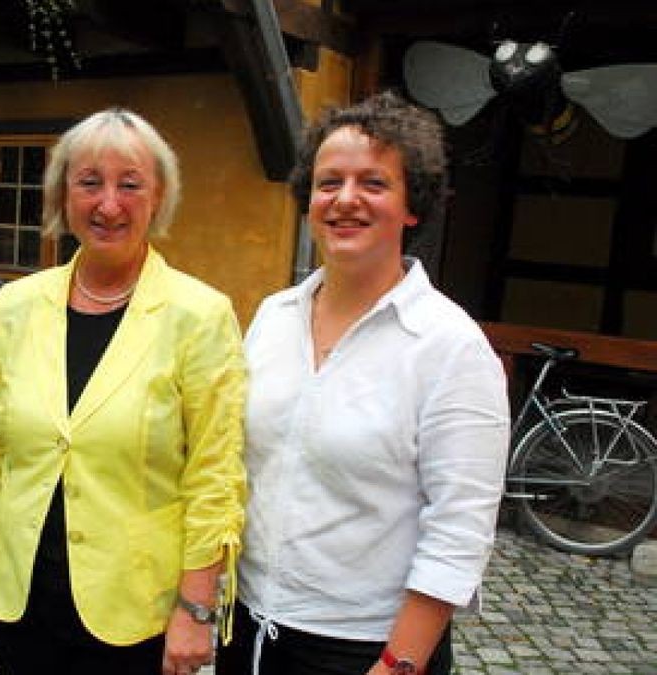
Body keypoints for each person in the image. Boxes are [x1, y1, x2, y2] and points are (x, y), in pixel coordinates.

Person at [0, 108, 247, 675]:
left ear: (158, 198)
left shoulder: (199, 315)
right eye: (89, 183)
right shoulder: (15, 306)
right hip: (21, 594)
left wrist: (196, 606)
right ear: (63, 196)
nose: (109, 204)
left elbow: (214, 473)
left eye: (130, 185)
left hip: (133, 604)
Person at [216, 91, 510, 675]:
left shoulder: (450, 345)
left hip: (366, 648)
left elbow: (459, 528)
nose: (345, 199)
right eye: (329, 182)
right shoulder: (274, 316)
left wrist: (398, 664)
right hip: (249, 629)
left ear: (412, 206)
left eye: (373, 183)